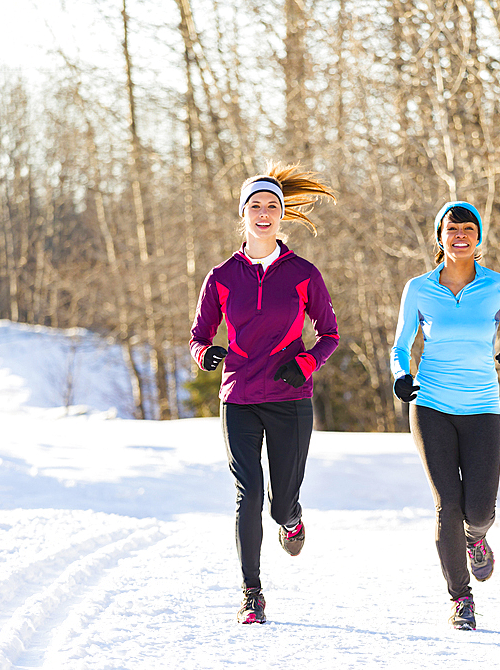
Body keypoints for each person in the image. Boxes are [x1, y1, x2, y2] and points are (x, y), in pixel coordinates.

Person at [190, 163, 338, 624]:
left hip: (289, 398)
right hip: (238, 397)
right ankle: (251, 592)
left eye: (272, 205)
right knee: (247, 494)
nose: (264, 212)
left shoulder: (303, 273)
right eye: (255, 205)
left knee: (279, 503)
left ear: (282, 215)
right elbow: (198, 335)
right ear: (243, 215)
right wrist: (205, 357)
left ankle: (291, 518)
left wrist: (307, 363)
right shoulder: (220, 277)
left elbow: (330, 333)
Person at [390, 201, 500, 631]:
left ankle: (477, 539)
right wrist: (402, 375)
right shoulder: (419, 288)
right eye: (451, 228)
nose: (460, 235)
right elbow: (400, 346)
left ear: (479, 236)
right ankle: (460, 598)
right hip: (431, 404)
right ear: (439, 237)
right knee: (446, 505)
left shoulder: (499, 287)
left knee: (479, 511)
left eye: (468, 228)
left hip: (482, 408)